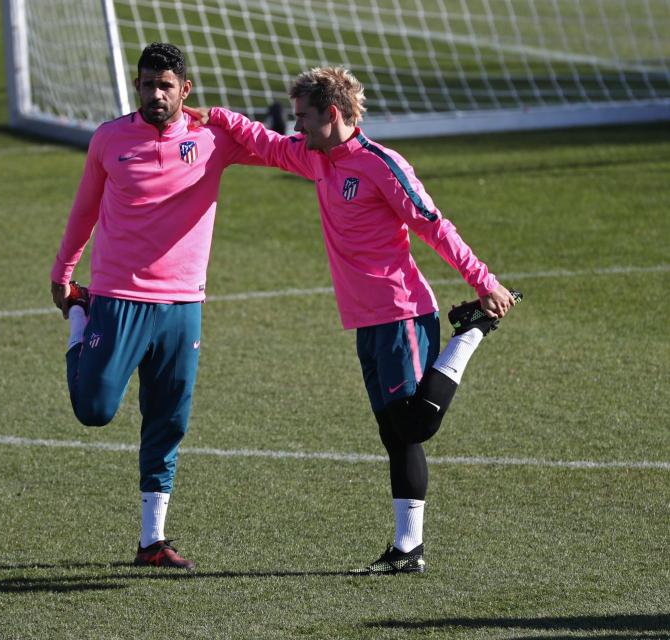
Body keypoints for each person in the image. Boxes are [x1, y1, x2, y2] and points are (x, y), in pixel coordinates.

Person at [187, 67, 521, 575]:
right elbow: (266, 142)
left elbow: (433, 226)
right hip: (366, 321)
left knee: (414, 425)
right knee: (394, 435)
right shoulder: (315, 157)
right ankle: (408, 551)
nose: (297, 128)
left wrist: (483, 281)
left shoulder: (381, 165)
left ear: (333, 114)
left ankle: (471, 332)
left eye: (304, 118)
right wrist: (217, 116)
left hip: (402, 311)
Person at [50, 42, 259, 571]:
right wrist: (64, 276)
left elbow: (284, 151)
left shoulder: (213, 139)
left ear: (185, 90)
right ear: (137, 85)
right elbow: (84, 211)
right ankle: (81, 317)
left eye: (166, 86)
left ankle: (152, 540)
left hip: (183, 303)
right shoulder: (110, 139)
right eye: (148, 84)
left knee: (168, 420)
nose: (156, 94)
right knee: (93, 410)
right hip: (117, 298)